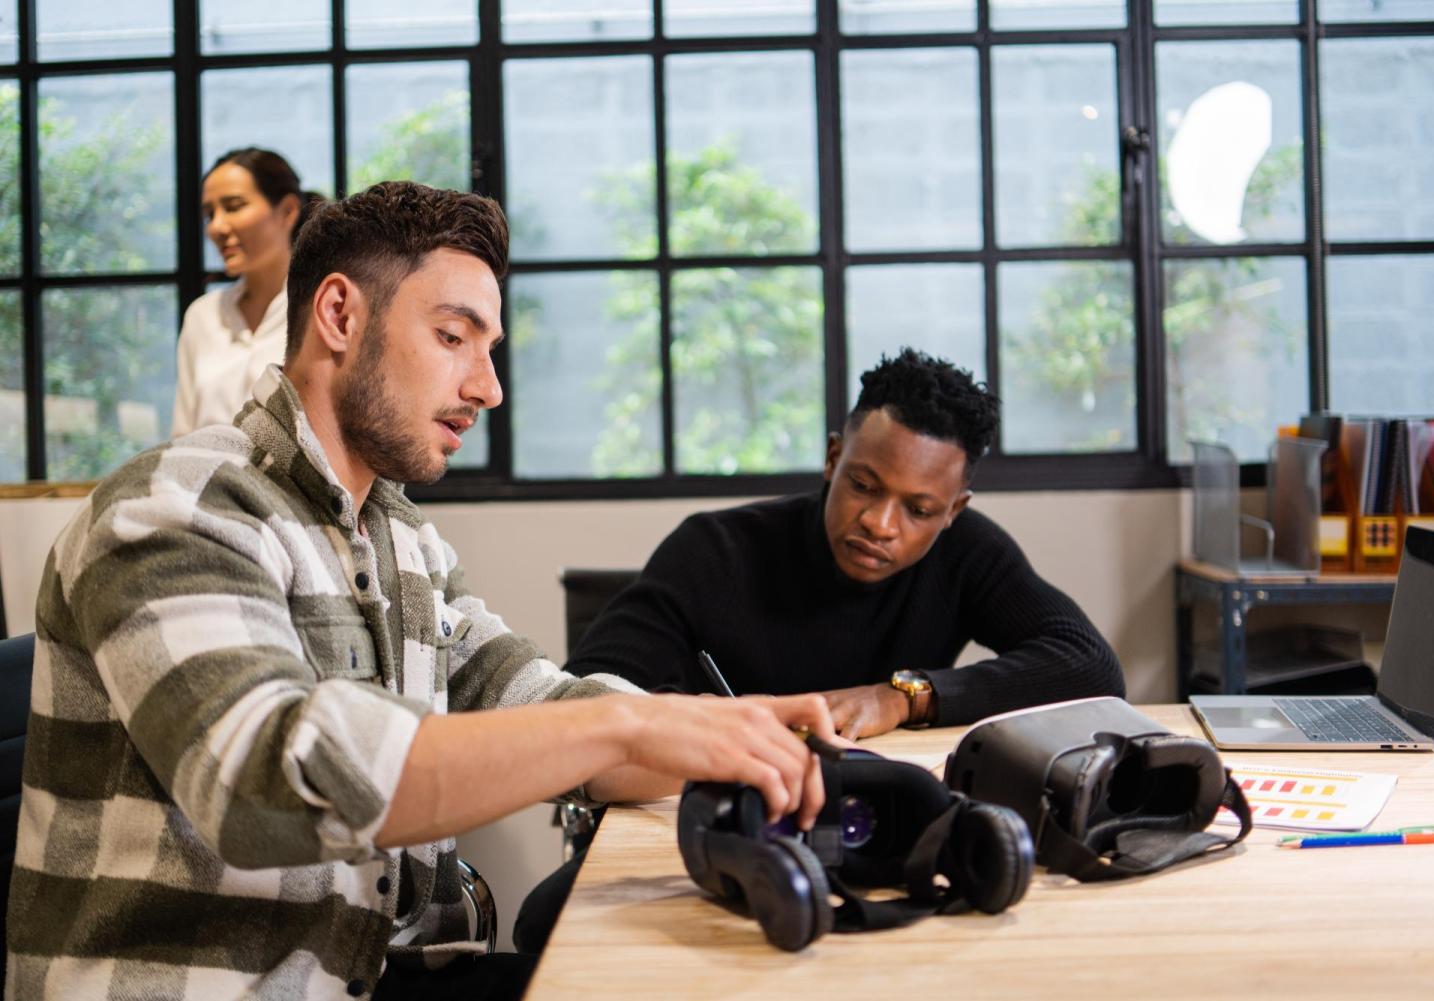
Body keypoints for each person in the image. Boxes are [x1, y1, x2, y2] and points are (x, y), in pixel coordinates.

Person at [7, 182, 834, 1001]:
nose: (488, 387)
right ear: (339, 315)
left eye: (491, 348)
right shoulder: (175, 505)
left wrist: (726, 731)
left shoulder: (401, 535)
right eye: (453, 337)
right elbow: (261, 780)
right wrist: (627, 724)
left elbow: (536, 700)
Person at [565, 348, 1126, 740]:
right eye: (863, 485)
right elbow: (586, 690)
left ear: (953, 510)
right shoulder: (716, 549)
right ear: (834, 459)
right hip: (711, 813)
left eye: (919, 509)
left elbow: (1091, 665)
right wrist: (707, 720)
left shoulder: (967, 553)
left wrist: (906, 696)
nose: (881, 524)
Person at [171, 147, 319, 437]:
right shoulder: (202, 316)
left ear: (288, 211)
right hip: (204, 479)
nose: (217, 227)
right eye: (209, 214)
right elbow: (182, 435)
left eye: (234, 206)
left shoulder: (320, 311)